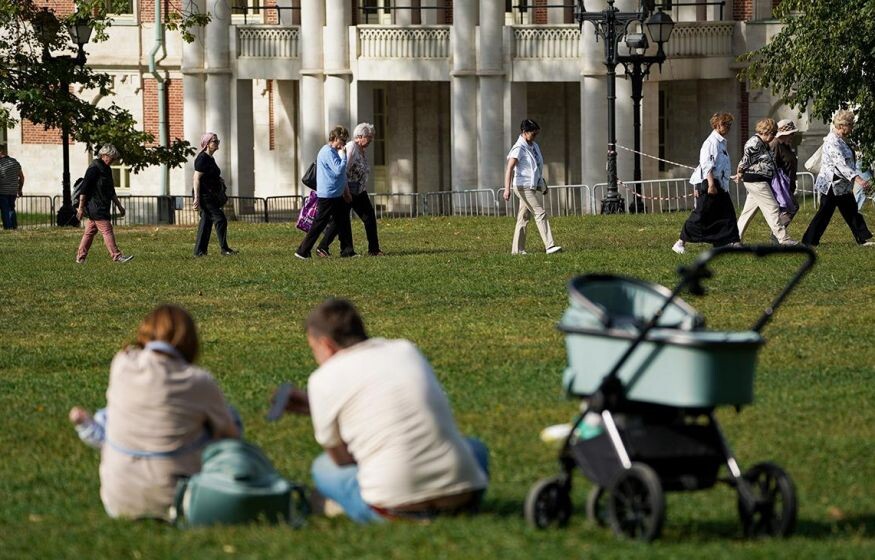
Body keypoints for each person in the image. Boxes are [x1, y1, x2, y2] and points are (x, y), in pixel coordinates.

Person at [278, 299, 489, 523]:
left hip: (395, 507)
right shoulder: (405, 350)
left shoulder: (323, 379)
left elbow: (342, 459)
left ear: (327, 345)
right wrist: (316, 407)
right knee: (475, 447)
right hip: (465, 495)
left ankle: (343, 505)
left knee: (323, 468)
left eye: (314, 349)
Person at [68, 304, 240, 520]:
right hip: (182, 501)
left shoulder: (121, 364)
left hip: (118, 503)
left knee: (114, 417)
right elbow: (230, 437)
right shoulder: (198, 381)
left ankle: (98, 430)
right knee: (227, 419)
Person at [802, 110, 874, 247]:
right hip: (831, 185)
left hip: (841, 185)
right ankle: (809, 241)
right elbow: (840, 164)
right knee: (824, 214)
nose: (852, 128)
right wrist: (858, 179)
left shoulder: (843, 140)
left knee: (852, 211)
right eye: (851, 125)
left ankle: (862, 238)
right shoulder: (832, 141)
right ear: (842, 126)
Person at [672, 112, 741, 254]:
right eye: (725, 124)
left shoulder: (721, 143)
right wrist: (711, 184)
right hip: (710, 184)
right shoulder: (711, 143)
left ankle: (733, 242)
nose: (728, 127)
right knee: (701, 214)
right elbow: (707, 165)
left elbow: (720, 166)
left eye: (729, 124)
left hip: (719, 184)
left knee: (727, 214)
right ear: (717, 125)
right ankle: (680, 242)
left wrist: (729, 177)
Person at [316, 122, 383, 257]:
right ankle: (327, 247)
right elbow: (343, 170)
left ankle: (373, 249)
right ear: (360, 136)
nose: (371, 139)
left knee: (368, 217)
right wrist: (346, 192)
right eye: (369, 136)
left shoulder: (362, 150)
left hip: (359, 190)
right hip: (348, 191)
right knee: (340, 221)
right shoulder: (351, 147)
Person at [295, 126, 356, 259]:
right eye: (342, 140)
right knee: (319, 224)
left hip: (336, 194)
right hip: (328, 195)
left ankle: (347, 250)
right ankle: (302, 251)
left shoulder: (332, 151)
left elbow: (340, 175)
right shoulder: (327, 151)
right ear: (334, 138)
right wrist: (344, 156)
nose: (344, 144)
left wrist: (345, 191)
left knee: (343, 221)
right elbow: (339, 170)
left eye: (345, 141)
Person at [503, 119, 562, 255]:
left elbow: (536, 167)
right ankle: (549, 246)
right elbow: (510, 169)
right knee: (540, 213)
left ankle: (517, 250)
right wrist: (507, 189)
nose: (535, 136)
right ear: (524, 132)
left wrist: (541, 184)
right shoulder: (518, 148)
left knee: (523, 217)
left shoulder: (534, 145)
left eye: (536, 133)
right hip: (522, 186)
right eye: (533, 133)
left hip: (531, 185)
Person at [733, 118, 797, 245]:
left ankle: (734, 239)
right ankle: (783, 239)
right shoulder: (754, 142)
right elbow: (745, 160)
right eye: (773, 133)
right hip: (757, 181)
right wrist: (739, 172)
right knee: (772, 208)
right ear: (766, 131)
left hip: (759, 180)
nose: (774, 137)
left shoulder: (763, 143)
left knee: (747, 212)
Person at [75, 144, 134, 263]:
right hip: (95, 206)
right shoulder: (94, 168)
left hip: (102, 205)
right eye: (111, 158)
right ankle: (117, 256)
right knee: (107, 230)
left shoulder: (107, 169)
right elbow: (84, 189)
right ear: (104, 155)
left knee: (89, 232)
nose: (112, 160)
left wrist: (119, 206)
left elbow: (111, 191)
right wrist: (80, 208)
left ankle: (80, 258)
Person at [193, 133, 237, 257]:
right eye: (215, 141)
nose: (217, 143)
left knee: (206, 222)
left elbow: (211, 175)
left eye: (218, 141)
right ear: (207, 144)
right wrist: (196, 198)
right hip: (204, 196)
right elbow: (196, 178)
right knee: (220, 219)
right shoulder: (202, 158)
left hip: (211, 194)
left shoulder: (210, 158)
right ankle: (224, 249)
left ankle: (199, 252)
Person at [770, 119, 801, 229]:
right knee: (791, 207)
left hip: (788, 183)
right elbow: (771, 165)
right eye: (791, 134)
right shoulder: (775, 144)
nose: (792, 136)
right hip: (780, 184)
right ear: (784, 134)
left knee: (788, 208)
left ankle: (778, 234)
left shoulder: (786, 145)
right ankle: (778, 234)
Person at [0, 143, 24, 230]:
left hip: (2, 191)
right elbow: (21, 177)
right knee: (11, 209)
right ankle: (14, 226)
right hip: (13, 191)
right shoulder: (15, 162)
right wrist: (19, 189)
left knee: (5, 210)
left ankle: (8, 227)